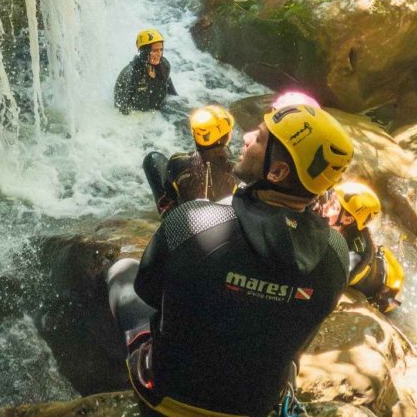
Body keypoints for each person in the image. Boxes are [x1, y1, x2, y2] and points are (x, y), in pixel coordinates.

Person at [106, 102, 355, 417]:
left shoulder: (193, 222)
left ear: (277, 172)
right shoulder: (335, 253)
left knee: (122, 271)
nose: (247, 136)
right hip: (255, 407)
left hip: (169, 398)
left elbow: (149, 291)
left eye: (261, 138)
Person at [321, 179, 404, 313]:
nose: (325, 206)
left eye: (333, 206)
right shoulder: (340, 221)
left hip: (384, 292)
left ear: (347, 220)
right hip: (379, 262)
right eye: (330, 200)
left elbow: (326, 285)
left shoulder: (354, 256)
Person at [144, 105, 237, 215]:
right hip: (224, 225)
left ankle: (168, 218)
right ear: (226, 136)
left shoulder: (177, 162)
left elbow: (169, 190)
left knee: (152, 159)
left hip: (187, 223)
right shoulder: (238, 169)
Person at [114, 28, 176, 113]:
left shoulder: (164, 65)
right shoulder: (130, 74)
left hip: (160, 112)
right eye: (154, 50)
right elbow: (120, 108)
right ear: (144, 52)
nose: (159, 54)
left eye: (161, 50)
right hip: (139, 119)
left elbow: (172, 92)